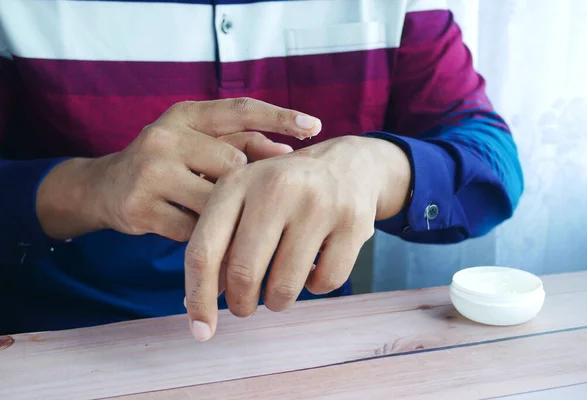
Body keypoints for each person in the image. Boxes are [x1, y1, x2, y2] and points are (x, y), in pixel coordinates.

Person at [0, 0, 523, 340]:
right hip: (62, 341)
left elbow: (492, 166)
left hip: (306, 343)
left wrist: (371, 166)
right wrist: (91, 187)